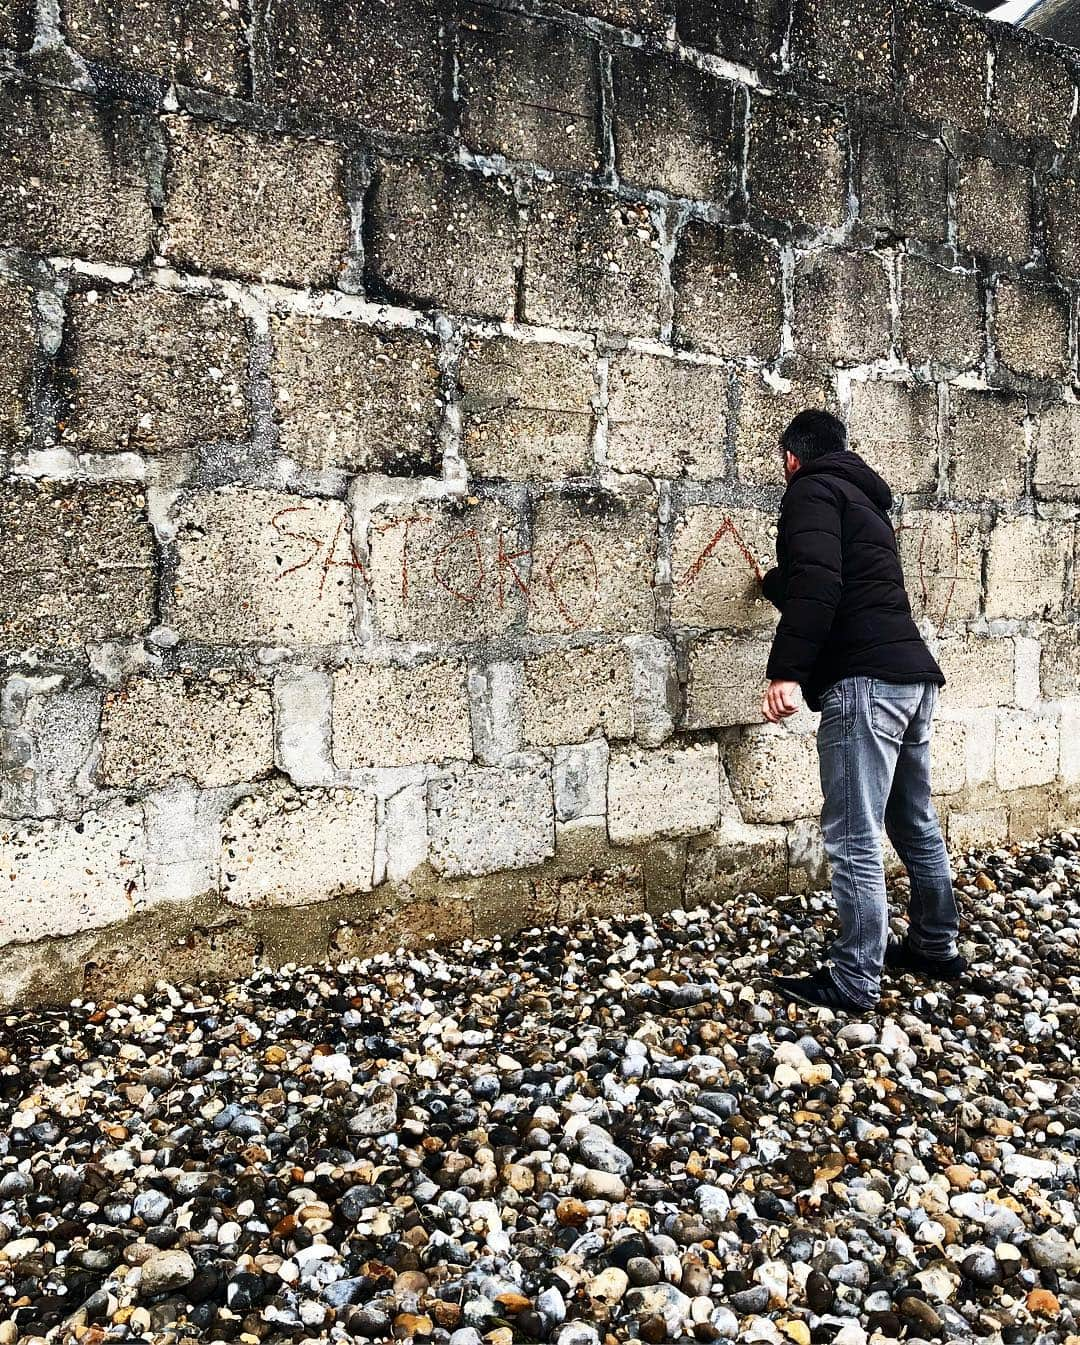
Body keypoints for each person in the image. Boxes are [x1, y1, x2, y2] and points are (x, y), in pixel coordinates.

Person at [759, 409, 966, 1013]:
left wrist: (787, 672)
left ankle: (855, 979)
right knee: (914, 822)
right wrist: (782, 585)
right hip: (912, 677)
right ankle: (934, 944)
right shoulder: (865, 502)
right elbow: (842, 582)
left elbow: (821, 584)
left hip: (865, 685)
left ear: (793, 457)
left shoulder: (809, 492)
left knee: (853, 836)